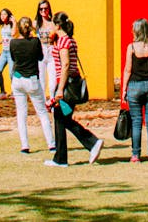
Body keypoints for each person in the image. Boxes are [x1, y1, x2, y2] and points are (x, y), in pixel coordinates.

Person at [44, 11, 103, 168]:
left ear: (57, 25)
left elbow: (65, 65)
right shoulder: (70, 40)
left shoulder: (63, 42)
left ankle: (92, 143)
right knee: (62, 118)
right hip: (70, 83)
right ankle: (61, 157)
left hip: (66, 84)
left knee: (61, 118)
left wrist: (60, 89)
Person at [9, 15, 55, 154]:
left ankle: (25, 145)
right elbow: (40, 57)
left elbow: (13, 58)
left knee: (21, 114)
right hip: (32, 79)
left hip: (18, 79)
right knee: (41, 112)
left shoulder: (13, 43)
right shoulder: (35, 41)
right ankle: (51, 144)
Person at [120, 18, 148, 162]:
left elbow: (127, 69)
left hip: (135, 86)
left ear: (136, 31)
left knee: (136, 121)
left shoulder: (131, 47)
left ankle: (135, 154)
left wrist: (124, 89)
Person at [0, 7, 16, 98]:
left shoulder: (11, 25)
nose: (2, 16)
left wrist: (14, 22)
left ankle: (14, 92)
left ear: (9, 15)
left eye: (4, 14)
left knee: (11, 73)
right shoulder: (3, 26)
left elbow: (13, 35)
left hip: (11, 52)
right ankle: (2, 92)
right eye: (1, 14)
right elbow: (4, 39)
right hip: (4, 52)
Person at [34, 0, 56, 97]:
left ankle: (52, 103)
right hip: (41, 52)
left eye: (45, 8)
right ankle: (42, 105)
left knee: (53, 83)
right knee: (41, 82)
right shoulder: (36, 24)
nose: (43, 11)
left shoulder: (53, 23)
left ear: (49, 9)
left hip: (51, 51)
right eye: (41, 9)